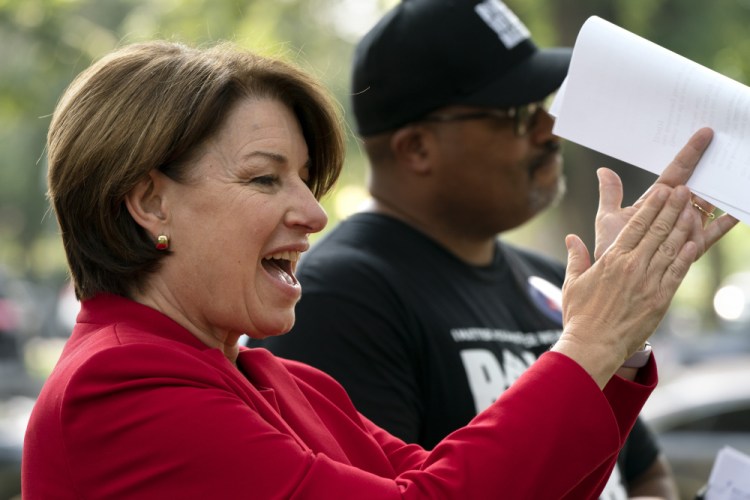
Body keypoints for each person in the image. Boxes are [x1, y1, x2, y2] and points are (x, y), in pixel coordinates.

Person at [22, 38, 732, 499]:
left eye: (307, 180)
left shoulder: (280, 379)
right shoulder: (114, 387)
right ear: (150, 202)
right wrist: (588, 346)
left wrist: (619, 339)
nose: (313, 212)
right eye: (266, 180)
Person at [257, 1, 738, 498]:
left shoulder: (556, 280)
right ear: (416, 148)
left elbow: (642, 474)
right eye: (517, 114)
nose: (549, 129)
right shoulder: (339, 296)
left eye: (545, 105)